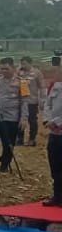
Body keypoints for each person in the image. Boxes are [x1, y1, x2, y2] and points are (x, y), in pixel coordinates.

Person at [17, 56, 45, 146]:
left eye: (24, 63)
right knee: (19, 120)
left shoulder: (37, 73)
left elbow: (42, 87)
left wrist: (42, 99)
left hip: (32, 101)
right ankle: (20, 139)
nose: (23, 65)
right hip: (20, 101)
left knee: (32, 120)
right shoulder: (19, 72)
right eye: (22, 63)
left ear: (30, 63)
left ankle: (32, 139)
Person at [45, 74, 62, 207]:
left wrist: (57, 122)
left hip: (59, 128)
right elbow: (47, 104)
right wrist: (48, 121)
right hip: (54, 133)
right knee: (55, 165)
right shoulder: (55, 85)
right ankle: (57, 196)